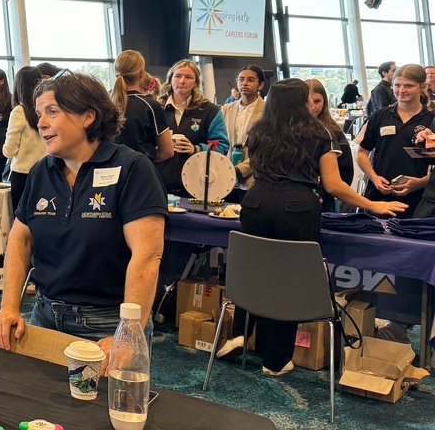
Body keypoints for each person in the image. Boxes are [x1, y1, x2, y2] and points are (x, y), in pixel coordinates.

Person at [222, 79, 407, 375]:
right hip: (296, 208)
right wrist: (372, 205)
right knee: (290, 281)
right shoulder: (318, 133)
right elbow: (333, 185)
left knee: (255, 270)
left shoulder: (258, 131)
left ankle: (240, 334)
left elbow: (254, 170)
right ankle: (275, 360)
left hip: (255, 203)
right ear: (301, 101)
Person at [0, 72, 166, 368]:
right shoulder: (41, 171)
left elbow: (146, 256)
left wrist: (128, 333)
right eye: (39, 114)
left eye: (52, 112)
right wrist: (9, 308)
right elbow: (20, 239)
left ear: (88, 117)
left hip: (108, 324)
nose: (41, 123)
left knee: (103, 399)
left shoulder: (132, 169)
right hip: (44, 316)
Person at [357, 63, 434, 216]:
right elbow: (361, 153)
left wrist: (421, 182)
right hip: (380, 196)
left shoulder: (431, 119)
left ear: (422, 87)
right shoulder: (380, 116)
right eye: (397, 85)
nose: (401, 90)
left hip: (420, 200)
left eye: (409, 86)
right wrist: (374, 178)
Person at [156, 59, 229, 196]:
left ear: (196, 83)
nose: (182, 81)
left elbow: (222, 146)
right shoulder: (156, 108)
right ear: (170, 80)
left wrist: (196, 149)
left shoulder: (210, 111)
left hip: (196, 187)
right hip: (159, 185)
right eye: (178, 76)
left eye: (188, 77)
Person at [111, 50, 171, 162]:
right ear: (142, 73)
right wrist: (147, 161)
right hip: (140, 168)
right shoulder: (150, 105)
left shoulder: (105, 105)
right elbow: (167, 151)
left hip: (110, 169)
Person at [3, 66, 48, 213]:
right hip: (46, 172)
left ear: (18, 86)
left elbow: (9, 151)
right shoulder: (47, 109)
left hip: (23, 175)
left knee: (22, 220)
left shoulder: (19, 111)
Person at [305, 79, 353, 211]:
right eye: (308, 102)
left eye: (317, 101)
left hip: (324, 202)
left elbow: (345, 173)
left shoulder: (334, 132)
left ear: (324, 102)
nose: (313, 107)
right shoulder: (289, 131)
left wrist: (322, 192)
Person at [220, 65, 266, 202]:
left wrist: (239, 170)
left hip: (254, 177)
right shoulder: (226, 109)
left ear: (260, 85)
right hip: (225, 176)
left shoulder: (268, 111)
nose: (244, 83)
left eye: (250, 80)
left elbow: (266, 151)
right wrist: (227, 170)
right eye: (241, 79)